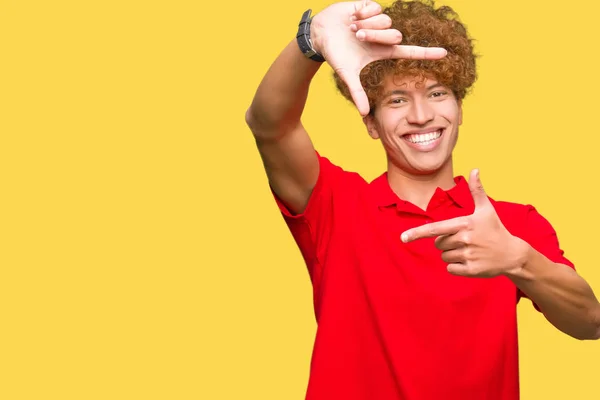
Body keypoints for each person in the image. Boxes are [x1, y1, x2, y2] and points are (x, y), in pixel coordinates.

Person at [244, 0, 600, 399]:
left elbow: (590, 323)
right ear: (371, 123)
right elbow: (269, 124)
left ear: (460, 107)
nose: (420, 115)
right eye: (397, 100)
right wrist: (311, 40)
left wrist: (519, 260)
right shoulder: (336, 205)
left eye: (436, 93)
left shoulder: (511, 226)